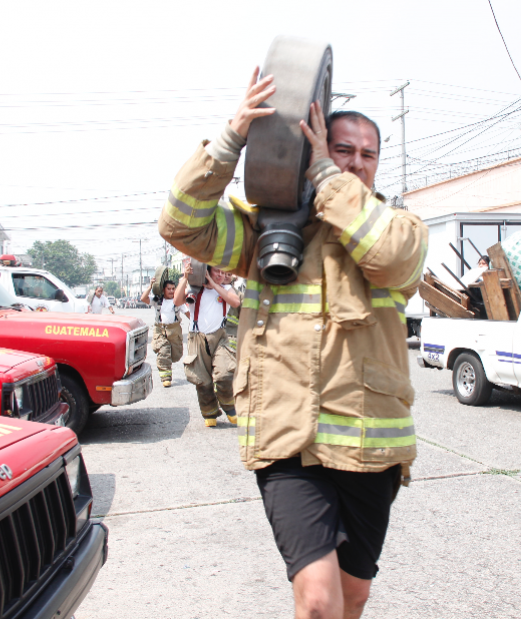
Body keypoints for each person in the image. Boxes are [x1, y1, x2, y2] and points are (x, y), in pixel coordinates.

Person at [158, 68, 428, 619]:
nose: (355, 162)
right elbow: (182, 225)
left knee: (353, 596)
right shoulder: (268, 233)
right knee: (318, 600)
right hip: (287, 441)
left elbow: (392, 258)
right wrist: (232, 139)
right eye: (340, 149)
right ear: (310, 143)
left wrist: (327, 176)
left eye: (366, 155)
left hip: (368, 446)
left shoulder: (400, 228)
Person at [175, 262, 240, 427]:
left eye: (222, 272)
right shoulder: (194, 290)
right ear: (207, 271)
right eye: (216, 271)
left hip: (221, 337)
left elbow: (235, 302)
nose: (220, 275)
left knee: (225, 374)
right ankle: (209, 411)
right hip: (197, 337)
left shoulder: (226, 288)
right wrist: (185, 277)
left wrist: (214, 284)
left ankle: (229, 406)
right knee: (202, 381)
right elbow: (176, 301)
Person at [141, 274, 184, 388]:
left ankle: (166, 368)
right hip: (160, 330)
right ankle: (166, 378)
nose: (171, 291)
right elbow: (143, 298)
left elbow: (189, 313)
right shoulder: (157, 301)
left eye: (173, 289)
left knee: (175, 355)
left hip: (174, 332)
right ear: (163, 290)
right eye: (168, 289)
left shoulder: (178, 302)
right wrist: (150, 286)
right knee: (164, 350)